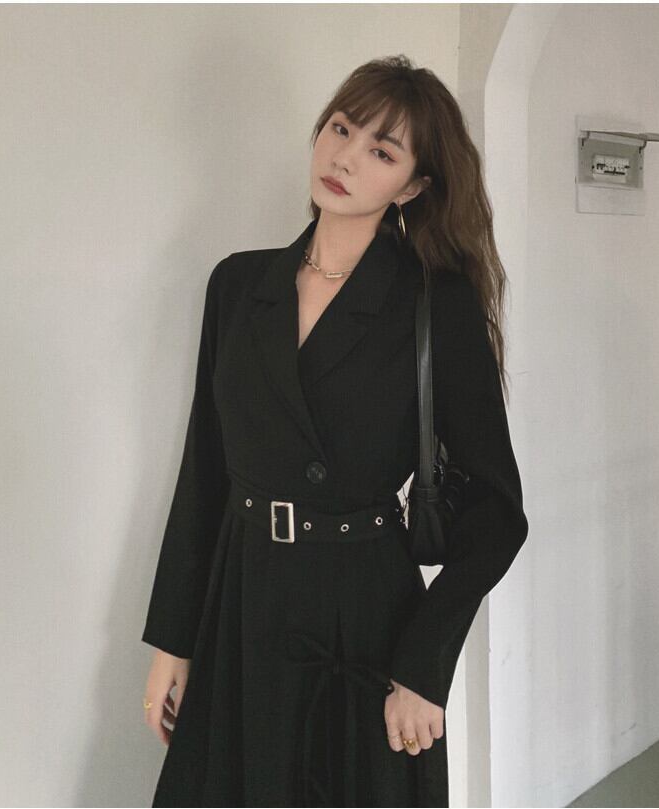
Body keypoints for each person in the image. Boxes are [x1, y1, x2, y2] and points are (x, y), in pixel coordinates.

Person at [140, 54, 528, 807]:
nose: (345, 157)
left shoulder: (433, 303)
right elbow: (205, 468)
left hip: (364, 614)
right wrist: (173, 641)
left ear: (411, 186)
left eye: (382, 151)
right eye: (342, 129)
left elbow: (497, 511)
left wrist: (425, 664)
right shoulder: (237, 284)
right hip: (243, 598)